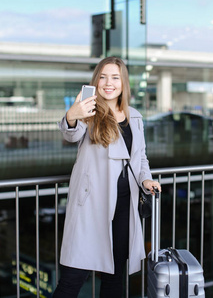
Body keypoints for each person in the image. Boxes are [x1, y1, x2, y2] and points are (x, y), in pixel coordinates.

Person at [53, 56, 161, 298]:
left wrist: (146, 180)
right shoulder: (88, 112)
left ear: (123, 83)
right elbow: (70, 134)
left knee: (115, 278)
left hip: (125, 205)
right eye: (102, 77)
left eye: (115, 77)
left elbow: (141, 157)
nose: (108, 83)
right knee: (73, 278)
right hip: (91, 205)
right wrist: (72, 115)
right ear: (96, 81)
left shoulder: (134, 116)